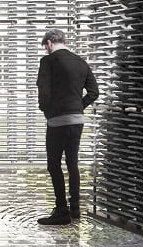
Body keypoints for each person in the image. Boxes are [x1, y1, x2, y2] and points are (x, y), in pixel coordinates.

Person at [35, 28, 99, 225]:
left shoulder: (48, 61)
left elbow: (43, 90)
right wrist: (79, 106)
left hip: (57, 121)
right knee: (72, 163)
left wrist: (47, 110)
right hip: (77, 120)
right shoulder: (81, 61)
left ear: (49, 43)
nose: (46, 50)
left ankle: (62, 211)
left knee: (54, 164)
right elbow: (94, 92)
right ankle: (76, 210)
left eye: (45, 47)